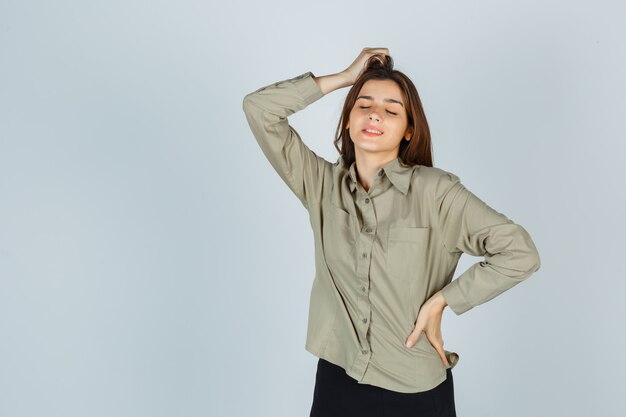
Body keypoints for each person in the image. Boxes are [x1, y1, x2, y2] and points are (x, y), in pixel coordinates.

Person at [242, 48, 541, 417]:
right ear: (349, 121)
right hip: (338, 377)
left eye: (392, 110)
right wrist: (344, 77)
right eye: (363, 105)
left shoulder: (437, 193)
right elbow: (259, 109)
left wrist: (444, 300)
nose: (374, 114)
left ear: (409, 130)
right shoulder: (321, 185)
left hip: (412, 388)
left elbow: (520, 252)